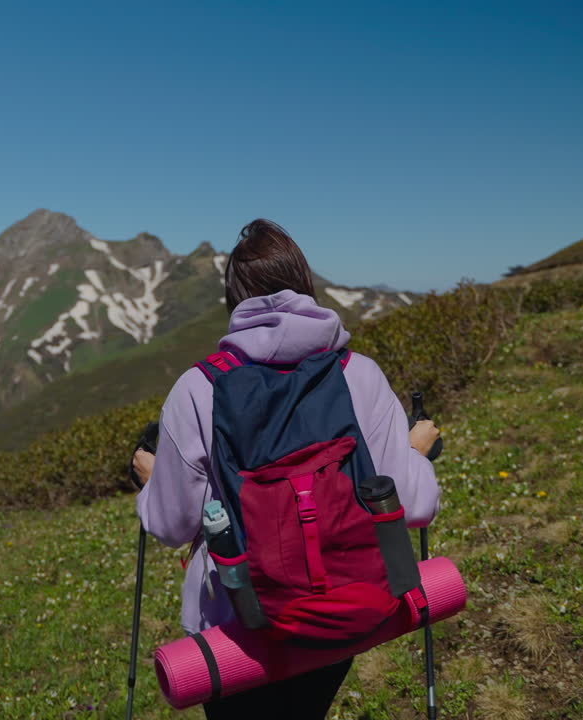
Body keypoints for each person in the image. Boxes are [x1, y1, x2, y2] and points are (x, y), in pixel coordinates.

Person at [132, 219, 441, 719]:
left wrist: (151, 481)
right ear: (305, 283)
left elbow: (171, 525)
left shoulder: (198, 388)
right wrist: (415, 452)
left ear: (234, 300)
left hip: (240, 625)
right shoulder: (358, 373)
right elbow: (415, 503)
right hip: (343, 612)